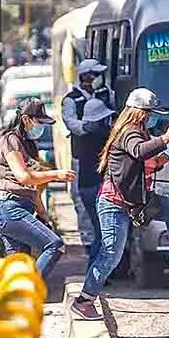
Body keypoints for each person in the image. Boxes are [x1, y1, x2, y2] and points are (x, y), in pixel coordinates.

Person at [69, 88, 169, 321]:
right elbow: (139, 152)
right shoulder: (129, 132)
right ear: (138, 113)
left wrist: (158, 160)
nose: (151, 118)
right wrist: (165, 139)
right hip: (114, 203)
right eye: (149, 113)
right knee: (111, 253)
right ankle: (84, 301)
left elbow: (141, 162)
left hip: (134, 199)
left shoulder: (138, 131)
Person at [0, 98, 76, 279]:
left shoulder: (27, 144)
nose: (41, 127)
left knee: (19, 266)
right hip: (9, 209)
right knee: (54, 245)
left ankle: (18, 302)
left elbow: (32, 187)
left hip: (21, 207)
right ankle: (31, 290)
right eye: (39, 122)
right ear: (26, 119)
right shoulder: (10, 141)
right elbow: (23, 177)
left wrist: (42, 213)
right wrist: (56, 174)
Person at [61, 58, 115, 254]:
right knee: (84, 205)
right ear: (87, 77)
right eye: (96, 75)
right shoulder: (71, 100)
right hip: (82, 157)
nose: (99, 79)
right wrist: (89, 126)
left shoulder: (106, 94)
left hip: (104, 155)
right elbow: (71, 123)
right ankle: (90, 246)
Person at [77, 98, 116, 265]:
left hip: (85, 188)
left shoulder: (81, 136)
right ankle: (95, 271)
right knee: (103, 234)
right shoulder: (101, 136)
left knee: (99, 231)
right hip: (96, 189)